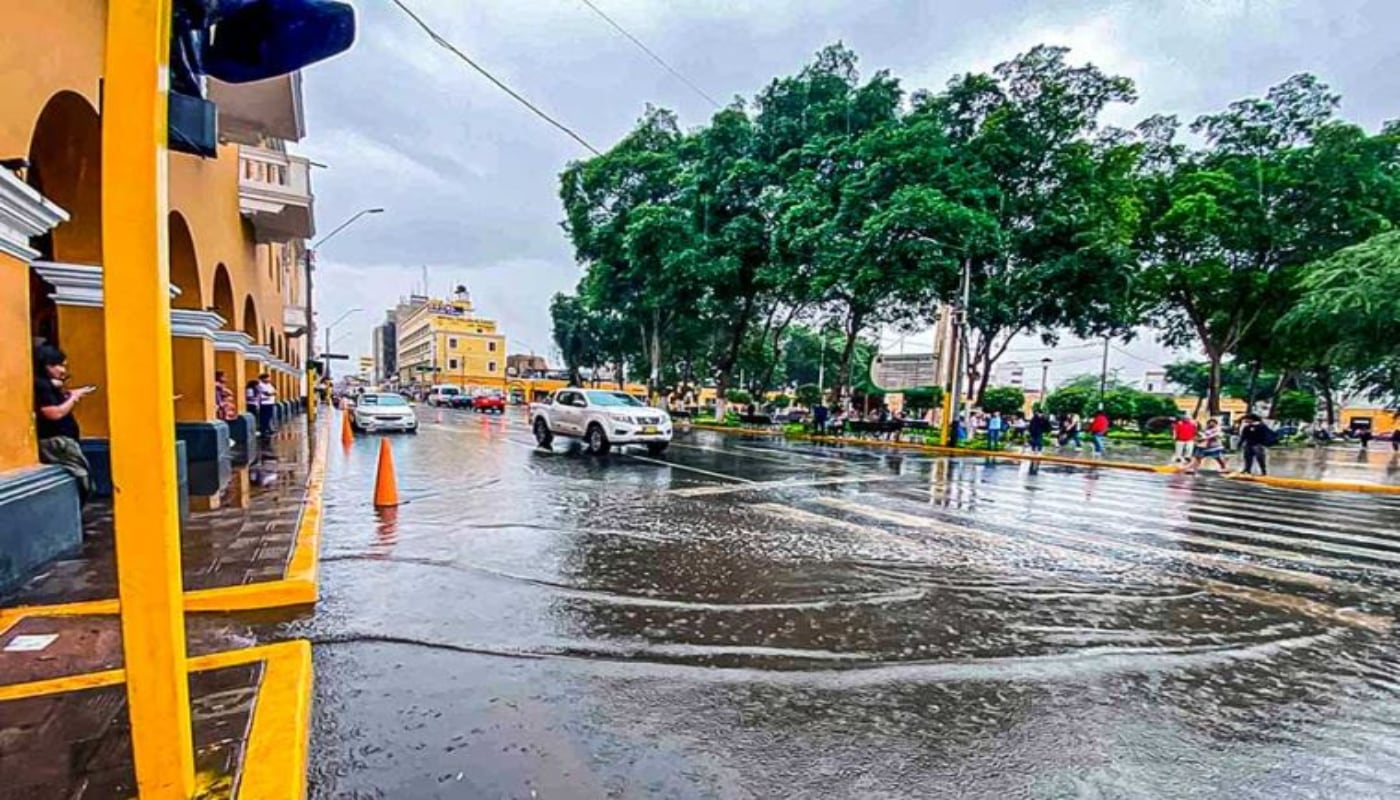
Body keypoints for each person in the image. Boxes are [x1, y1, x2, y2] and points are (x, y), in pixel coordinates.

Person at [33, 345, 96, 502]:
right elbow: (54, 413)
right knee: (83, 479)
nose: (62, 370)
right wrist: (73, 398)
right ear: (46, 365)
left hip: (63, 440)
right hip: (57, 441)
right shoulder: (42, 386)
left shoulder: (47, 385)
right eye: (58, 365)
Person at [255, 373, 277, 438]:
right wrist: (273, 393)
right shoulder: (260, 385)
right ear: (262, 378)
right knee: (264, 418)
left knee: (268, 417)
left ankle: (267, 429)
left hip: (270, 402)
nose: (269, 379)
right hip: (264, 403)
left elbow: (274, 392)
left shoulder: (269, 385)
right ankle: (263, 431)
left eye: (269, 378)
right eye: (267, 378)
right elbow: (267, 393)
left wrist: (273, 393)